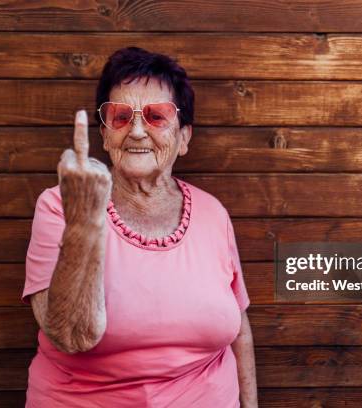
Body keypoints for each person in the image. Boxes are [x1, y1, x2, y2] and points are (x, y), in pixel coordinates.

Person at [21, 47, 258, 407]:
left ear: (184, 138)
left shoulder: (213, 213)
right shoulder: (60, 205)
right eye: (119, 116)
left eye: (156, 117)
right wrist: (85, 221)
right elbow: (71, 335)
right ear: (103, 135)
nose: (135, 131)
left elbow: (237, 329)